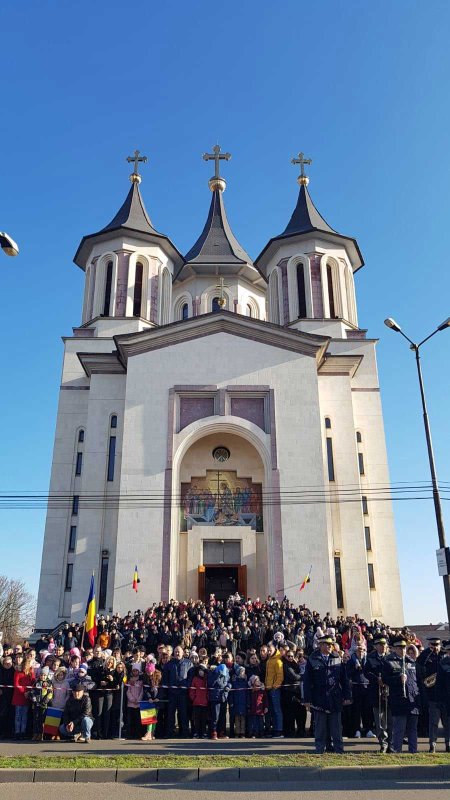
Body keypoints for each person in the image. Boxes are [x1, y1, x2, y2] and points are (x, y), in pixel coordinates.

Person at [303, 635, 352, 754]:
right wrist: (307, 699)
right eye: (327, 644)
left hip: (335, 697)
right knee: (320, 727)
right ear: (320, 645)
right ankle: (320, 750)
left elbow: (343, 680)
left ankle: (339, 750)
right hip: (319, 697)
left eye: (331, 645)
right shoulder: (312, 659)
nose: (330, 647)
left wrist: (347, 696)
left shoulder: (337, 658)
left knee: (336, 727)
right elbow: (307, 681)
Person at [382, 637, 421, 754]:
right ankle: (396, 751)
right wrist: (398, 679)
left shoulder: (411, 661)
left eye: (404, 648)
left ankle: (413, 752)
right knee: (399, 728)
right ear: (394, 649)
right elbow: (385, 679)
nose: (402, 650)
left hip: (412, 699)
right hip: (399, 700)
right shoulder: (388, 661)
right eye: (399, 648)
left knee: (412, 729)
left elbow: (416, 680)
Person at [417, 637, 448, 753]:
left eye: (437, 645)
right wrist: (427, 652)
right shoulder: (426, 656)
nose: (435, 647)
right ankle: (432, 745)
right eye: (433, 645)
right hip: (433, 695)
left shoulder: (444, 656)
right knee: (433, 722)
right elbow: (419, 665)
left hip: (445, 696)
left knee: (447, 722)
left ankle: (448, 744)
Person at [363, 636, 392, 753]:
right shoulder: (370, 658)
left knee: (391, 720)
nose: (383, 646)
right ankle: (383, 743)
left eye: (384, 644)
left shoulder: (391, 657)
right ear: (376, 646)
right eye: (380, 645)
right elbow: (366, 672)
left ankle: (391, 742)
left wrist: (386, 680)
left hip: (390, 692)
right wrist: (377, 679)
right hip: (376, 693)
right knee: (380, 720)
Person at [163, 645, 192, 738]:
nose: (177, 653)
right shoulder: (169, 664)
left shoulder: (189, 663)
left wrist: (186, 686)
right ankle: (169, 733)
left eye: (179, 651)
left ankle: (184, 733)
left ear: (183, 652)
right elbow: (165, 678)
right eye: (176, 651)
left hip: (183, 693)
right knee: (170, 714)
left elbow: (190, 677)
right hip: (172, 693)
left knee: (183, 714)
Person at [12, 654, 35, 740]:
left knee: (24, 715)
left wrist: (28, 692)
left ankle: (23, 732)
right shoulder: (18, 672)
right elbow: (16, 684)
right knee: (18, 715)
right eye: (25, 664)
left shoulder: (31, 673)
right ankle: (17, 732)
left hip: (26, 697)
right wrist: (24, 692)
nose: (26, 666)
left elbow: (33, 684)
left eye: (28, 664)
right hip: (18, 696)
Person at [265, 641, 284, 738]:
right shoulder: (269, 660)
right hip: (268, 688)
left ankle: (279, 730)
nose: (268, 652)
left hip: (274, 689)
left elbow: (280, 676)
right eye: (267, 650)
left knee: (277, 710)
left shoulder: (277, 661)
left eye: (270, 650)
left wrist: (275, 686)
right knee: (272, 710)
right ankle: (275, 728)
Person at [207, 661, 230, 740]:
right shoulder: (213, 673)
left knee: (222, 717)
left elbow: (228, 682)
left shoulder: (226, 673)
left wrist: (228, 687)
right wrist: (218, 675)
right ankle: (213, 732)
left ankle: (221, 732)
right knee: (215, 716)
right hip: (215, 698)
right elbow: (210, 683)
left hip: (223, 697)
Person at [436, 640, 450, 751]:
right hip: (447, 699)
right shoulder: (443, 663)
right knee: (447, 724)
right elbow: (439, 683)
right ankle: (448, 744)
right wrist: (440, 700)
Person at [188, 663, 209, 738]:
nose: (201, 672)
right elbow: (192, 690)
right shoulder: (195, 679)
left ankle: (204, 733)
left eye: (202, 670)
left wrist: (207, 698)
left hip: (205, 703)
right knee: (196, 720)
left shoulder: (207, 679)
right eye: (199, 670)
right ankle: (196, 732)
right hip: (196, 703)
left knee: (204, 720)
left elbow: (208, 690)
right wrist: (193, 698)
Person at [231, 666, 248, 738]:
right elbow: (232, 693)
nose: (242, 673)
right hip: (236, 703)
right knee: (237, 719)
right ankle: (237, 732)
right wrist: (231, 701)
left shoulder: (245, 683)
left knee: (243, 719)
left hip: (243, 703)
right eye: (241, 672)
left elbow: (247, 694)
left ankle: (243, 732)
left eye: (243, 672)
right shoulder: (234, 682)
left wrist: (248, 703)